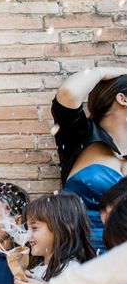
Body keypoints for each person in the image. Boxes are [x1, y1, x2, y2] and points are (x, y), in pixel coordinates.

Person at [52, 68, 127, 251]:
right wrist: (104, 72)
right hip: (81, 258)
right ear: (123, 99)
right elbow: (69, 93)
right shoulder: (80, 135)